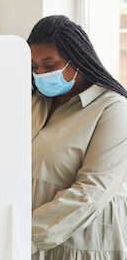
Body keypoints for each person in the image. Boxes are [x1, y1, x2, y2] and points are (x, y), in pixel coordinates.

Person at [30, 15, 127, 259]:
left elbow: (91, 192)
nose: (41, 74)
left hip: (79, 246)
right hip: (28, 244)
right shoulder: (34, 104)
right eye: (34, 67)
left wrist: (23, 234)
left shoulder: (112, 109)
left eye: (49, 65)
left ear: (78, 60)